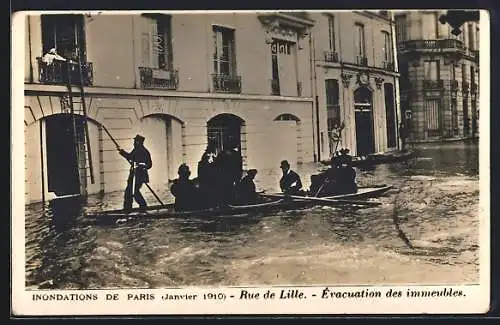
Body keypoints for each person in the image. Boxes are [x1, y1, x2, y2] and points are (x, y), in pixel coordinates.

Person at [118, 134, 152, 213]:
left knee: (134, 192)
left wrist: (142, 165)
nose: (134, 143)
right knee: (129, 192)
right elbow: (130, 157)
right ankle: (127, 210)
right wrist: (122, 152)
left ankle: (142, 207)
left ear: (139, 142)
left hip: (140, 175)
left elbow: (149, 164)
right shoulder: (135, 150)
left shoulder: (145, 152)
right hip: (133, 175)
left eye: (135, 141)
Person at [197, 140, 219, 208]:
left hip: (209, 179)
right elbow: (210, 167)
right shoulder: (209, 156)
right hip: (209, 179)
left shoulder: (209, 155)